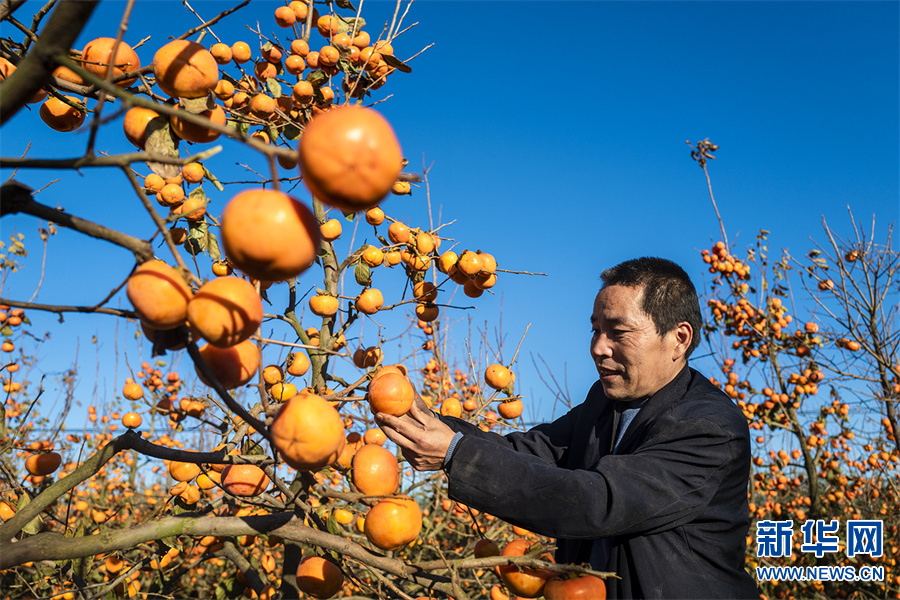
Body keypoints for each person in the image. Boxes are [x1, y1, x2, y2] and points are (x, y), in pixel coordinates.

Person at [377, 257, 760, 599]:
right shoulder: (604, 405)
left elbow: (599, 501)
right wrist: (436, 426)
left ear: (679, 339)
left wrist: (455, 453)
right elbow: (529, 451)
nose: (598, 347)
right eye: (595, 330)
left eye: (618, 332)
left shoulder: (710, 427)